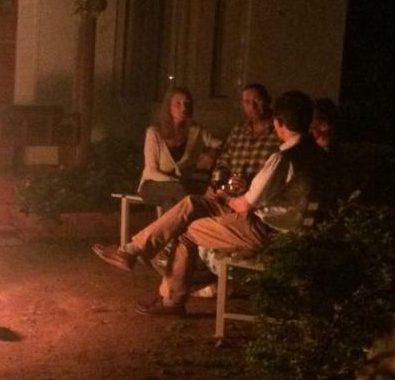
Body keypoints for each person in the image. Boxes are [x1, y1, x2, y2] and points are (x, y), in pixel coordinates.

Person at [92, 90, 326, 315]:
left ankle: (170, 298)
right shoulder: (314, 153)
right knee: (193, 203)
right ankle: (132, 250)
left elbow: (245, 205)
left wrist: (227, 198)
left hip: (264, 230)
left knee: (187, 231)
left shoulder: (283, 158)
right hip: (278, 226)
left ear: (279, 122)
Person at [138, 87, 220, 207]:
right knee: (179, 190)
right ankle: (195, 223)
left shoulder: (196, 132)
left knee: (171, 203)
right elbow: (151, 171)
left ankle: (174, 226)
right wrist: (179, 182)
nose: (184, 108)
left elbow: (220, 144)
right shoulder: (154, 132)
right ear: (168, 107)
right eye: (178, 103)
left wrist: (211, 154)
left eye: (186, 104)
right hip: (152, 185)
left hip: (180, 188)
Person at [208, 83, 281, 197]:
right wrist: (216, 184)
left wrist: (250, 185)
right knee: (190, 203)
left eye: (257, 100)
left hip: (257, 201)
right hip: (230, 197)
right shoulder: (238, 130)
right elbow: (223, 162)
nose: (253, 106)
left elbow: (280, 175)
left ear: (267, 101)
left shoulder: (279, 132)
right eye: (247, 102)